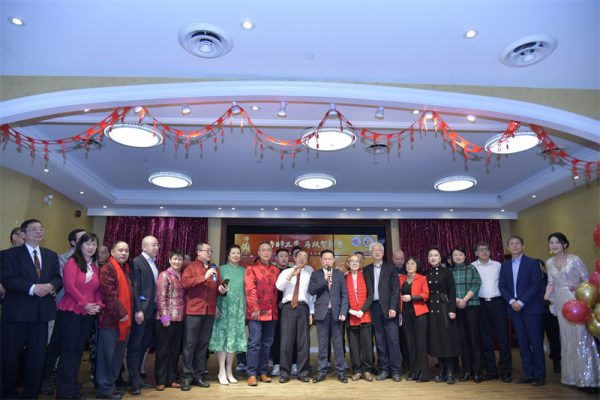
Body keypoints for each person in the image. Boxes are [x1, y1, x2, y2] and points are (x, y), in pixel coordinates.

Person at [0, 219, 62, 399]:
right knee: (10, 356)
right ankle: (6, 392)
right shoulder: (9, 255)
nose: (39, 231)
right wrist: (32, 288)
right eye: (34, 229)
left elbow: (58, 278)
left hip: (41, 315)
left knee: (37, 357)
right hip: (16, 314)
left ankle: (31, 393)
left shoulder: (51, 255)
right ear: (23, 234)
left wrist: (50, 286)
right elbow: (7, 279)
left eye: (41, 228)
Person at [544, 232, 600, 391]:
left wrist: (578, 288)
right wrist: (545, 298)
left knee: (582, 338)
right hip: (561, 302)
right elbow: (551, 283)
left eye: (557, 242)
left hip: (576, 302)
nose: (554, 245)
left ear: (565, 244)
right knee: (568, 340)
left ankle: (589, 379)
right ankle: (574, 377)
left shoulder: (575, 259)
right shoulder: (549, 262)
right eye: (551, 242)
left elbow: (587, 279)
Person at [55, 233, 103, 399]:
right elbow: (70, 287)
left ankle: (72, 389)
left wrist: (98, 304)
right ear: (79, 245)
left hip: (87, 313)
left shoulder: (94, 267)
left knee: (77, 352)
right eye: (87, 244)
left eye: (94, 244)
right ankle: (64, 392)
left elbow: (97, 290)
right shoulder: (72, 262)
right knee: (68, 351)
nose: (91, 247)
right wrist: (85, 304)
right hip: (71, 311)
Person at [42, 228, 87, 395]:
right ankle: (46, 378)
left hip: (82, 310)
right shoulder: (61, 259)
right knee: (55, 345)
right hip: (63, 308)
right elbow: (68, 284)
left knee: (73, 348)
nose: (86, 241)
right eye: (81, 238)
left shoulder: (90, 260)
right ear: (73, 242)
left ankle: (68, 380)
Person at [499, 236, 546, 386]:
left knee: (536, 342)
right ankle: (528, 373)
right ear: (508, 248)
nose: (515, 246)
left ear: (523, 246)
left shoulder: (532, 263)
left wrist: (521, 301)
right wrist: (512, 301)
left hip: (531, 308)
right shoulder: (505, 266)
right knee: (523, 343)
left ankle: (539, 375)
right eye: (511, 244)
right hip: (514, 309)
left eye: (517, 243)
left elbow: (536, 284)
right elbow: (502, 286)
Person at [180, 243, 227, 390]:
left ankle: (198, 376)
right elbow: (185, 283)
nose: (209, 253)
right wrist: (204, 277)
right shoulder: (190, 267)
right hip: (194, 311)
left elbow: (217, 287)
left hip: (209, 312)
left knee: (202, 345)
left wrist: (222, 290)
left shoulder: (214, 269)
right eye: (207, 251)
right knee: (189, 345)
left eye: (210, 251)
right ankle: (186, 377)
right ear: (198, 252)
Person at [96, 241, 133, 400]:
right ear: (112, 251)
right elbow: (108, 295)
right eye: (120, 250)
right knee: (107, 357)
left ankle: (110, 386)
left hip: (125, 320)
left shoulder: (125, 269)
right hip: (111, 321)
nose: (124, 253)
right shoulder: (107, 268)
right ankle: (104, 389)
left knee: (117, 357)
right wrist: (122, 313)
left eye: (126, 250)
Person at [471, 241, 512, 382]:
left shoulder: (498, 265)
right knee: (485, 339)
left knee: (503, 338)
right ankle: (491, 370)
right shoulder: (472, 267)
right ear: (476, 253)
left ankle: (506, 370)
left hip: (498, 303)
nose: (484, 252)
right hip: (481, 304)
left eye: (486, 249)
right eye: (480, 250)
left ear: (490, 251)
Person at [308, 249, 349, 383]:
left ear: (333, 260)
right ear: (321, 260)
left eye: (330, 259)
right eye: (325, 259)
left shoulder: (339, 275)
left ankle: (340, 372)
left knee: (338, 345)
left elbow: (344, 295)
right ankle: (321, 372)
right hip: (322, 314)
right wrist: (323, 281)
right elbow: (311, 290)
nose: (327, 261)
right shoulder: (316, 274)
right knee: (323, 345)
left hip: (337, 314)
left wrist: (343, 312)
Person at [363, 242, 402, 381]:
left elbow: (395, 290)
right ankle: (384, 369)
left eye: (379, 250)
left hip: (389, 308)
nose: (377, 252)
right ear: (370, 253)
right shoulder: (366, 269)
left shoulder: (391, 268)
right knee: (379, 340)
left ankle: (396, 370)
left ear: (383, 253)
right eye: (374, 250)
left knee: (393, 339)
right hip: (374, 308)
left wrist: (393, 307)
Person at [209, 245, 248, 385]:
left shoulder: (244, 271)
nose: (236, 255)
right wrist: (215, 305)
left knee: (233, 339)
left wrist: (245, 309)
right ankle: (221, 371)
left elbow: (246, 292)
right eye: (233, 253)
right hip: (223, 307)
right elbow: (214, 288)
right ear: (228, 255)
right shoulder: (220, 269)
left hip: (238, 309)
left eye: (238, 253)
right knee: (223, 339)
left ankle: (229, 370)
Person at [127, 236, 160, 395]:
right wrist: (138, 309)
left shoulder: (154, 263)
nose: (156, 247)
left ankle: (138, 378)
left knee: (143, 346)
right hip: (141, 312)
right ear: (143, 246)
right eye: (153, 245)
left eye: (157, 245)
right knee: (135, 346)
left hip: (151, 311)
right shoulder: (137, 262)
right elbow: (136, 287)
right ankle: (133, 382)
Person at [275, 250, 314, 383]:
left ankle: (303, 373)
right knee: (286, 341)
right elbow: (279, 287)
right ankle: (284, 373)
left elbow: (311, 296)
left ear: (307, 260)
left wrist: (311, 312)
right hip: (288, 308)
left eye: (305, 257)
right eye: (300, 256)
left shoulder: (309, 274)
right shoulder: (286, 272)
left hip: (303, 308)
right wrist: (291, 275)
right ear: (295, 258)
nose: (302, 258)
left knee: (303, 342)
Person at [244, 242, 280, 386]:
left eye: (268, 250)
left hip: (272, 312)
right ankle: (252, 373)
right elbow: (250, 289)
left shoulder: (276, 270)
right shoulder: (251, 268)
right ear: (258, 253)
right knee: (254, 343)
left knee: (267, 344)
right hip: (256, 313)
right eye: (263, 250)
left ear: (271, 253)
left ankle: (263, 371)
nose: (266, 252)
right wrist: (254, 308)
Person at [426, 246, 460, 384]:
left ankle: (450, 371)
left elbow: (452, 291)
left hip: (444, 308)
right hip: (431, 309)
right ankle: (441, 370)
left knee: (447, 340)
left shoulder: (447, 272)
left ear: (440, 258)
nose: (433, 258)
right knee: (436, 340)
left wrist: (452, 309)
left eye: (436, 255)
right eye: (430, 255)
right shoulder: (426, 273)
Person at [451, 246, 482, 383]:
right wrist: (457, 300)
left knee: (474, 339)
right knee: (462, 340)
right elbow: (448, 289)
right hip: (457, 308)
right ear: (452, 258)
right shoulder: (450, 272)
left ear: (465, 256)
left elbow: (476, 284)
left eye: (460, 254)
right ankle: (467, 371)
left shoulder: (471, 268)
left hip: (472, 306)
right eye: (455, 255)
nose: (458, 257)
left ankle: (477, 372)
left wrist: (464, 300)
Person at [154, 251, 185, 391]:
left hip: (179, 318)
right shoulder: (164, 275)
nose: (177, 262)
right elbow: (161, 297)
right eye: (175, 259)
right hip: (165, 319)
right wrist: (164, 317)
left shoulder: (182, 275)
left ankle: (171, 379)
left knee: (174, 351)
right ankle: (160, 380)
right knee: (163, 350)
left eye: (180, 259)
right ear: (170, 260)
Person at [399, 256, 430, 383]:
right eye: (408, 264)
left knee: (420, 344)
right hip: (406, 313)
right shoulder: (401, 278)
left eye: (412, 264)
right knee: (410, 344)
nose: (409, 266)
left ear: (417, 266)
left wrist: (412, 297)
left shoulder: (422, 278)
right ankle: (414, 372)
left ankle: (424, 374)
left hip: (419, 313)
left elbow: (425, 295)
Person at [345, 254, 375, 382]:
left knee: (367, 345)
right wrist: (350, 310)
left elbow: (371, 295)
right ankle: (357, 370)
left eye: (357, 261)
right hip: (351, 316)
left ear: (360, 263)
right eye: (352, 261)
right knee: (354, 346)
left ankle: (367, 370)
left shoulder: (366, 276)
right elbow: (342, 296)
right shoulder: (344, 278)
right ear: (348, 263)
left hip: (365, 315)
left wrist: (362, 310)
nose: (354, 263)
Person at [537, 258, 561, 374]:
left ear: (543, 267)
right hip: (536, 314)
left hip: (550, 312)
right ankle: (539, 365)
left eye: (540, 266)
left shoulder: (550, 278)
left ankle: (556, 361)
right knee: (537, 339)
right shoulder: (529, 279)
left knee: (554, 338)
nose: (538, 269)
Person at [270, 248, 291, 377]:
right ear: (276, 258)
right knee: (276, 337)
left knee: (290, 337)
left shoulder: (292, 271)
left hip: (290, 308)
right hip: (275, 309)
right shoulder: (273, 271)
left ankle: (292, 364)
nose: (284, 258)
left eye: (286, 256)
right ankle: (277, 364)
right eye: (281, 256)